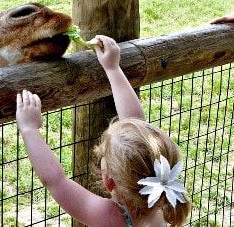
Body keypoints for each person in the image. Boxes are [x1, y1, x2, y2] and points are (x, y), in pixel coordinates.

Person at [15, 35, 191, 226]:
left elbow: (57, 182)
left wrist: (29, 128)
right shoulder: (163, 203)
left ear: (109, 182)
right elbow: (136, 126)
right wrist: (113, 68)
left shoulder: (111, 217)